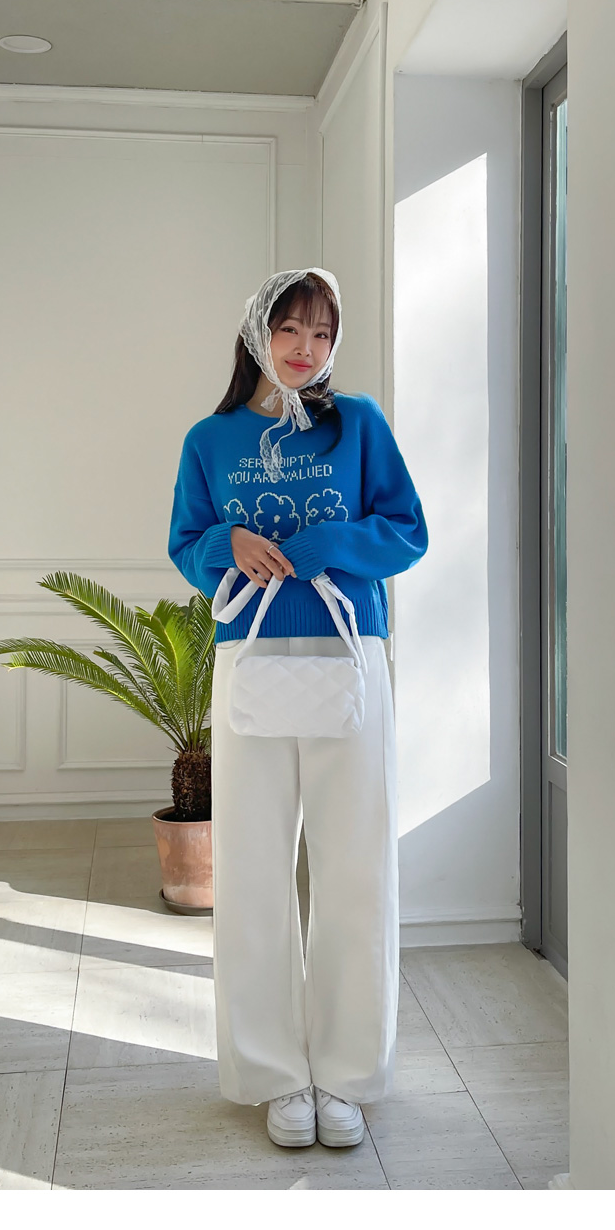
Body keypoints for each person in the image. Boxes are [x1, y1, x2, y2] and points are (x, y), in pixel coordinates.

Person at [167, 267, 428, 1150]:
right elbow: (185, 542)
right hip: (251, 660)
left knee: (357, 867)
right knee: (252, 870)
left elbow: (407, 530)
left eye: (321, 332)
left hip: (350, 658)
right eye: (290, 329)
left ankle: (348, 1075)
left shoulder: (359, 424)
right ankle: (275, 1074)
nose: (306, 348)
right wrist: (227, 542)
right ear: (258, 334)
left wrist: (329, 544)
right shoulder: (210, 440)